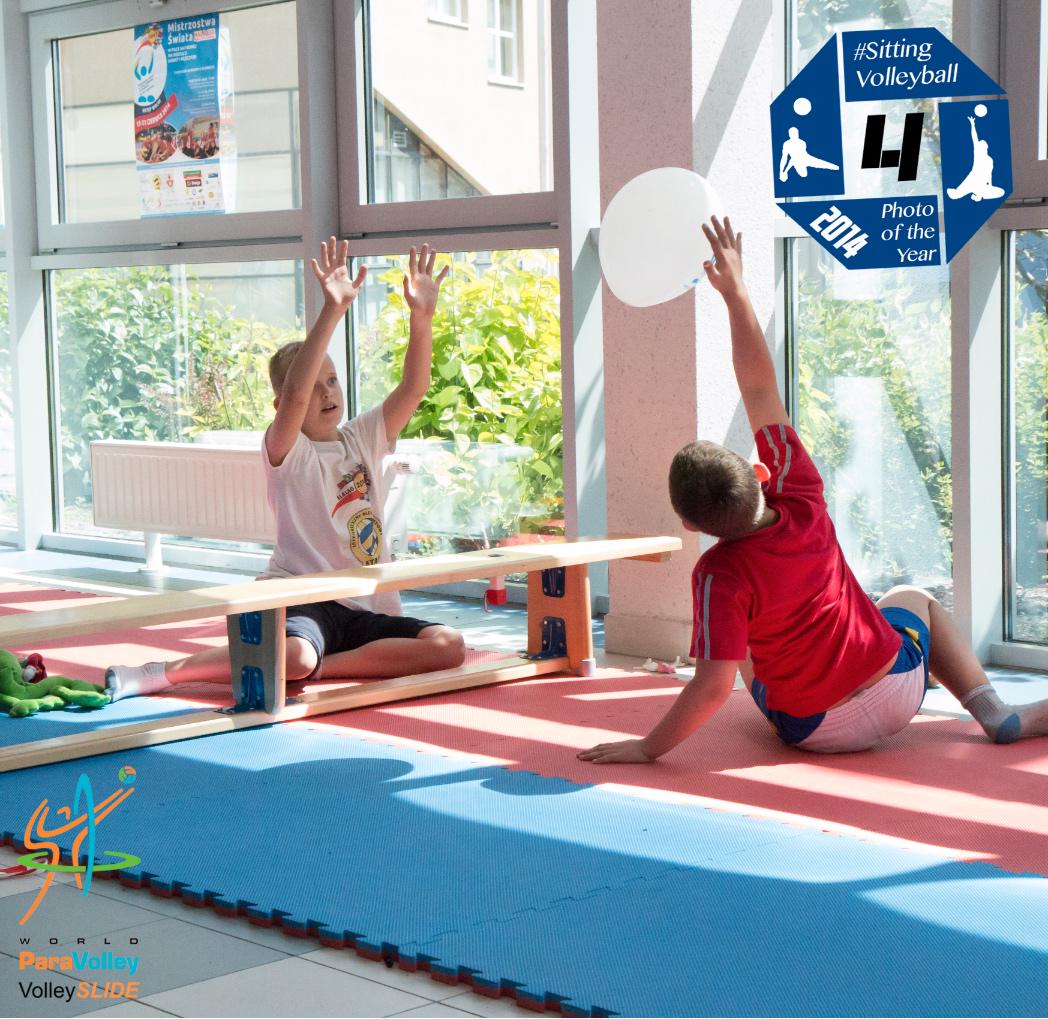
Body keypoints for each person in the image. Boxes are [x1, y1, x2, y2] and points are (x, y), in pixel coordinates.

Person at [580, 216, 1048, 764]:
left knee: (741, 647)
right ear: (759, 477)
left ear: (691, 525)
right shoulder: (799, 493)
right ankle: (993, 711)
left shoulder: (716, 576)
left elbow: (712, 686)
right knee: (911, 601)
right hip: (899, 692)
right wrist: (734, 291)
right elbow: (757, 385)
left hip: (816, 729)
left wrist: (647, 749)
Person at [105, 237, 466, 700]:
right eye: (315, 387)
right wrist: (332, 312)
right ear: (282, 405)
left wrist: (423, 317)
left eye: (332, 382)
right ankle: (166, 671)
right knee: (295, 656)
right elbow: (295, 394)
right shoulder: (286, 451)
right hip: (300, 599)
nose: (326, 394)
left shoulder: (361, 437)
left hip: (362, 606)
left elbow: (415, 387)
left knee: (449, 645)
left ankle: (319, 669)